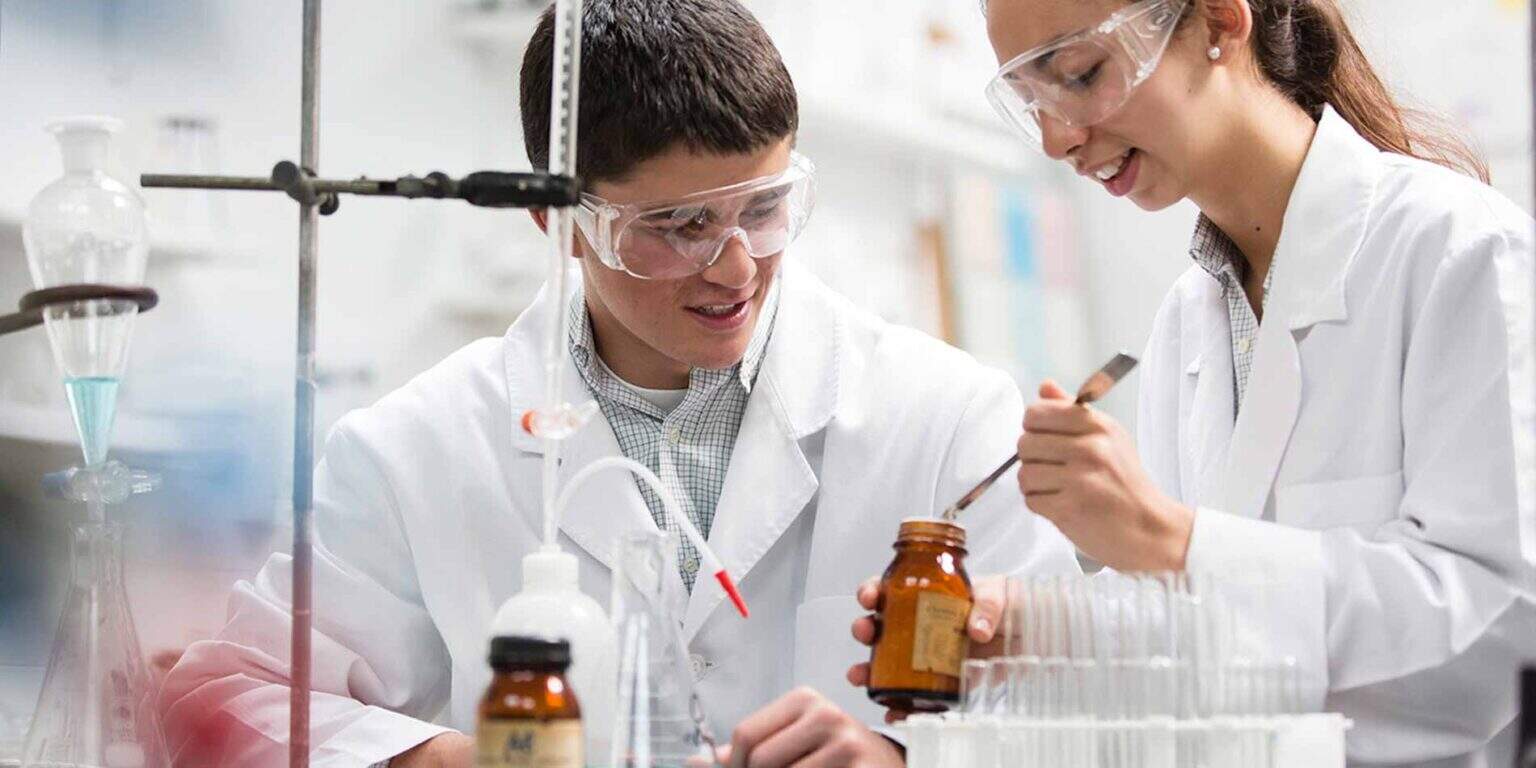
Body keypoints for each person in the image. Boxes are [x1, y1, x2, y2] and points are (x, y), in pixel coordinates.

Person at [155, 1, 1079, 765]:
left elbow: (1076, 711)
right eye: (677, 225)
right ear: (557, 223)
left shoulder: (949, 417)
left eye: (763, 209)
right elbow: (227, 693)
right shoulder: (417, 447)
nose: (735, 267)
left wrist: (900, 756)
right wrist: (447, 760)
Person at [846, 0, 1535, 765]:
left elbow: (1500, 639)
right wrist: (1029, 632)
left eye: (1081, 74)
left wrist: (1163, 538)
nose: (1057, 138)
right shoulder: (1191, 316)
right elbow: (1210, 636)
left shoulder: (1463, 252)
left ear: (1217, 21)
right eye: (1032, 100)